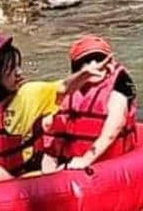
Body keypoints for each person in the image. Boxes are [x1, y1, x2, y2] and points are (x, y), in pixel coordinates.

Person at [0, 33, 107, 184]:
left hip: (22, 182)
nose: (19, 72)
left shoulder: (29, 94)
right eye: (11, 69)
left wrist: (83, 75)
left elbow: (64, 87)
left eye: (18, 66)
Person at [42, 36, 137, 172]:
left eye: (99, 59)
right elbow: (53, 136)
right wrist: (48, 172)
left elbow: (113, 129)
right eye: (86, 61)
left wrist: (85, 160)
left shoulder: (120, 85)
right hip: (70, 162)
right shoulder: (67, 91)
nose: (94, 65)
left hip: (107, 164)